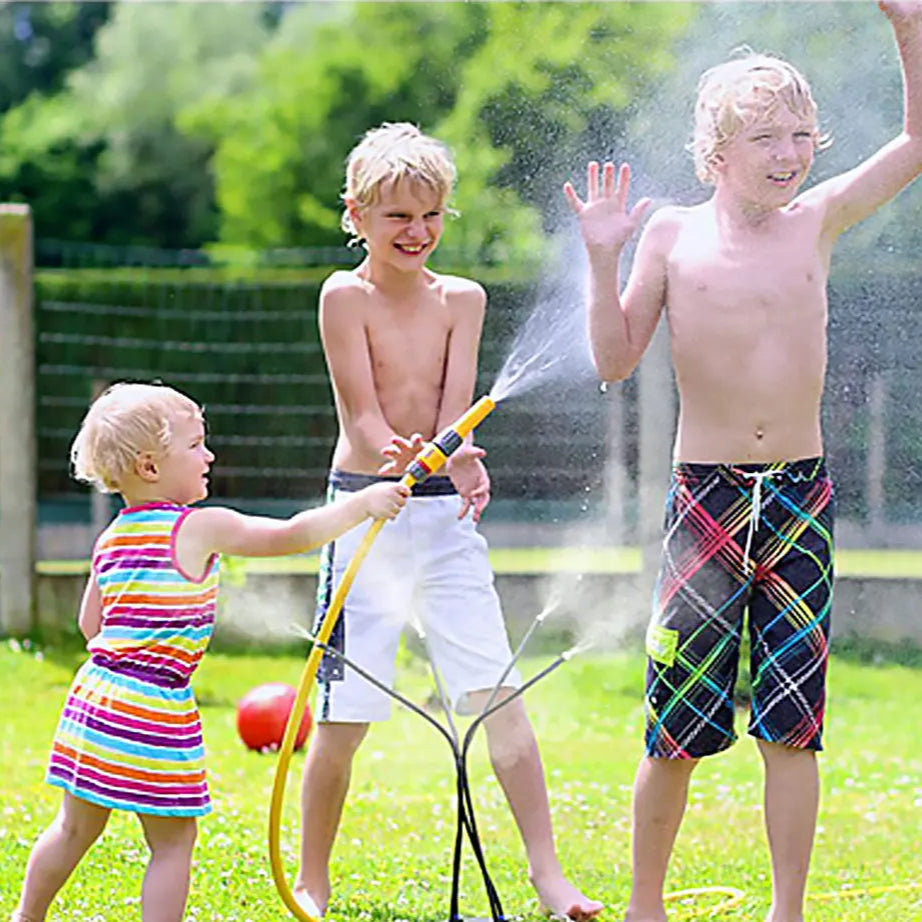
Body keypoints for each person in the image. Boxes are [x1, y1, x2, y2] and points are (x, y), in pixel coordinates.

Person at [564, 3, 922, 921]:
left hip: (800, 498)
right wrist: (602, 262)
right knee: (674, 727)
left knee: (794, 731)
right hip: (706, 503)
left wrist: (911, 28)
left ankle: (786, 910)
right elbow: (612, 361)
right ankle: (645, 906)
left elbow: (919, 140)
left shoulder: (820, 219)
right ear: (714, 153)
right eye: (766, 136)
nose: (789, 151)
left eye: (802, 134)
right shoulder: (673, 236)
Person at [293, 122, 603, 921]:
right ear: (356, 215)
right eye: (397, 217)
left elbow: (456, 411)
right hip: (364, 515)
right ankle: (313, 880)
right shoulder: (343, 295)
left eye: (431, 215)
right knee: (345, 716)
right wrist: (394, 456)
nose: (418, 232)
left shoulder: (463, 298)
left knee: (497, 697)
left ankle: (548, 875)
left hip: (440, 522)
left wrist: (456, 455)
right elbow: (361, 418)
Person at [10, 381, 408, 922]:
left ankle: (26, 916)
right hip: (154, 705)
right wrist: (362, 503)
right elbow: (290, 534)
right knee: (172, 844)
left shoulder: (113, 535)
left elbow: (89, 623)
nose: (210, 455)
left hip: (95, 696)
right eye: (196, 445)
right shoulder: (199, 526)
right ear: (150, 467)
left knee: (75, 827)